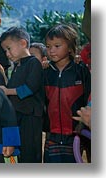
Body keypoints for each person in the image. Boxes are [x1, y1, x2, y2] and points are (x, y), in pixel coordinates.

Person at [43, 24, 91, 163]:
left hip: (76, 132)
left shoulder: (81, 71)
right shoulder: (45, 72)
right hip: (52, 134)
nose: (51, 50)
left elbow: (89, 98)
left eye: (57, 46)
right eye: (48, 46)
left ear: (70, 48)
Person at [0, 27, 45, 163]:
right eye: (5, 51)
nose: (7, 54)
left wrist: (7, 91)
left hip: (30, 116)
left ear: (23, 43)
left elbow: (29, 89)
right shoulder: (18, 66)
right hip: (18, 115)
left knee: (30, 154)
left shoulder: (33, 63)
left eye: (9, 48)